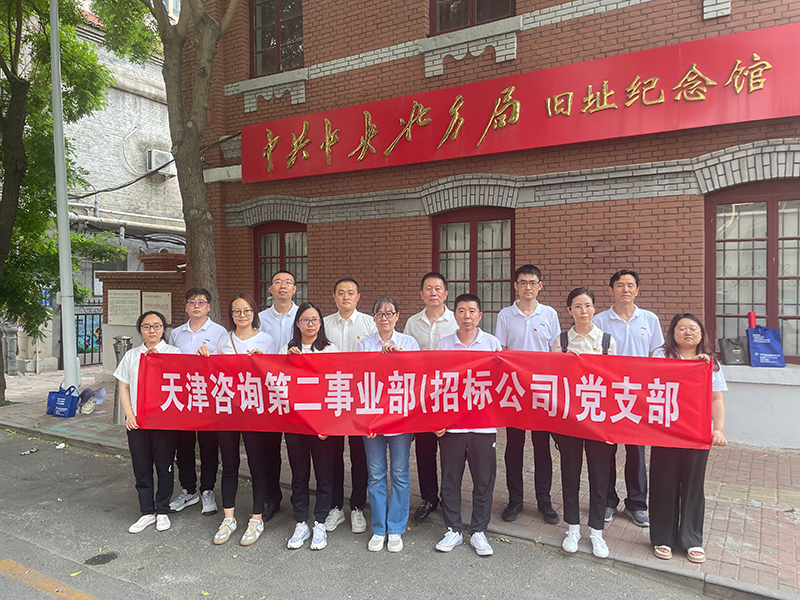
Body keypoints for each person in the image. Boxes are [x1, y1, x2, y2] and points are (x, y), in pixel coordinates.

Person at [199, 292, 277, 547]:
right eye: (236, 311)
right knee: (229, 464)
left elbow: (275, 376)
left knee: (257, 465)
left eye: (246, 311)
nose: (242, 315)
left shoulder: (266, 340)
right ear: (231, 315)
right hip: (227, 411)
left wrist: (263, 361)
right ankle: (228, 518)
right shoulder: (224, 339)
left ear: (254, 313)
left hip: (254, 411)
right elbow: (213, 371)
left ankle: (256, 519)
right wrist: (204, 355)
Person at [650, 314, 727, 564]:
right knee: (664, 483)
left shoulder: (711, 364)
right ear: (672, 333)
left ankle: (692, 539)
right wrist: (689, 365)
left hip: (697, 433)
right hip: (665, 431)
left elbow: (716, 399)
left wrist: (718, 429)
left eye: (693, 328)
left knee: (693, 486)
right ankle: (662, 537)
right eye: (681, 328)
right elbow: (655, 379)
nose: (687, 332)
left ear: (702, 334)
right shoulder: (660, 355)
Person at [550, 287, 617, 559]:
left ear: (594, 308)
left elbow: (614, 382)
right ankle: (573, 528)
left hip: (599, 420)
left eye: (588, 305)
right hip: (570, 421)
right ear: (570, 311)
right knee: (570, 474)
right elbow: (554, 381)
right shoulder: (562, 341)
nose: (583, 311)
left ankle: (597, 532)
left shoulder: (607, 341)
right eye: (577, 306)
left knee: (600, 476)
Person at [594, 269, 664, 527]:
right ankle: (608, 502)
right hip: (608, 393)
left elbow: (658, 352)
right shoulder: (600, 320)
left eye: (630, 285)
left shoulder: (649, 319)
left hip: (638, 394)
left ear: (637, 290)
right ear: (611, 290)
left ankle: (637, 504)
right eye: (620, 285)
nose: (625, 289)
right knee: (606, 449)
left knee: (636, 451)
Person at [433, 294, 501, 557]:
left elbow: (500, 382)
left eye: (472, 311)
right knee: (450, 478)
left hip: (483, 424)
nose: (467, 316)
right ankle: (453, 529)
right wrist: (438, 419)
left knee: (484, 478)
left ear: (480, 315)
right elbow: (437, 385)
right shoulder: (444, 344)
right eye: (461, 311)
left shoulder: (492, 343)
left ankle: (479, 531)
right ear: (455, 315)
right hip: (453, 425)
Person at [495, 265, 561, 525]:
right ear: (515, 286)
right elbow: (501, 351)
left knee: (542, 447)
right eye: (523, 282)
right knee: (514, 446)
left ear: (540, 286)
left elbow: (556, 351)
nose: (528, 287)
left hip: (541, 390)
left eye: (533, 282)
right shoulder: (505, 315)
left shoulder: (549, 314)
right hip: (515, 390)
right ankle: (515, 500)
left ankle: (544, 500)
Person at [355, 296, 420, 552]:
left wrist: (399, 358)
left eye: (389, 313)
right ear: (373, 318)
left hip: (400, 418)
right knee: (376, 475)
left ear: (397, 316)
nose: (384, 317)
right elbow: (357, 381)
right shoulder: (364, 345)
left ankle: (395, 528)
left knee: (400, 474)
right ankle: (378, 528)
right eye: (379, 313)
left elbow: (417, 377)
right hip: (372, 419)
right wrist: (365, 422)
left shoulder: (409, 342)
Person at [281, 302, 340, 551]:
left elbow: (336, 386)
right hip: (295, 423)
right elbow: (278, 384)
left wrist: (328, 423)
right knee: (299, 474)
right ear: (297, 323)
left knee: (324, 474)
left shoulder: (330, 349)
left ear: (321, 323)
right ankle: (301, 521)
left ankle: (320, 522)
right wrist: (288, 361)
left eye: (315, 319)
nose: (310, 324)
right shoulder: (287, 349)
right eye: (305, 319)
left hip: (322, 425)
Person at [115, 311, 181, 534]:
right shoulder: (132, 355)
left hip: (163, 422)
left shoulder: (173, 353)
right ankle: (146, 511)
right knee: (141, 467)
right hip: (138, 422)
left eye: (157, 326)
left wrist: (158, 360)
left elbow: (181, 381)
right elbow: (123, 386)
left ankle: (162, 509)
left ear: (163, 328)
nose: (152, 330)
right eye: (147, 326)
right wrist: (129, 415)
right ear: (140, 329)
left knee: (165, 466)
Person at [403, 272, 458, 522]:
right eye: (428, 288)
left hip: (449, 394)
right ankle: (429, 497)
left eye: (437, 288)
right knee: (425, 450)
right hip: (422, 396)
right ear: (422, 293)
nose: (433, 293)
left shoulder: (456, 320)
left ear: (445, 293)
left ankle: (449, 496)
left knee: (450, 450)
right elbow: (406, 358)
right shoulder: (412, 323)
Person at [323, 278, 376, 535]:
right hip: (331, 397)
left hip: (360, 398)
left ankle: (357, 507)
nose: (346, 296)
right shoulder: (323, 324)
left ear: (358, 296)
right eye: (341, 292)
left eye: (350, 292)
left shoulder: (369, 323)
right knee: (332, 454)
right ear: (334, 296)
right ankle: (335, 506)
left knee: (359, 455)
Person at [168, 288, 226, 516]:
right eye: (192, 302)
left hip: (208, 397)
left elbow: (225, 364)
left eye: (201, 302)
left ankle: (207, 490)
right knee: (183, 446)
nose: (196, 306)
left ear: (208, 307)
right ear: (186, 306)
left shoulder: (219, 332)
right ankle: (188, 489)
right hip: (182, 397)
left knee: (208, 446)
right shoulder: (177, 333)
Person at [258, 270, 299, 350]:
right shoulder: (261, 318)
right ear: (271, 289)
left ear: (294, 289)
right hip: (268, 358)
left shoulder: (302, 316)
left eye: (288, 282)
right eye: (278, 282)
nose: (283, 286)